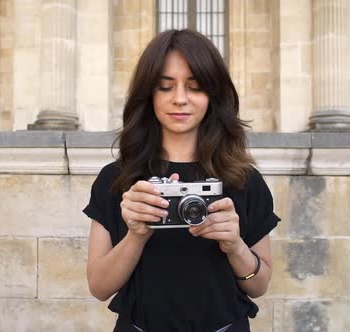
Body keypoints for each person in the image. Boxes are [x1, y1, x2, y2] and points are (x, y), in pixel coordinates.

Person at [83, 29, 280, 332]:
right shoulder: (118, 179)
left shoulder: (243, 179)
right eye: (165, 87)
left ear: (213, 95)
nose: (179, 99)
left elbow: (260, 285)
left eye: (195, 87)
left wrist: (235, 245)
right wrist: (136, 234)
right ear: (149, 94)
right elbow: (99, 286)